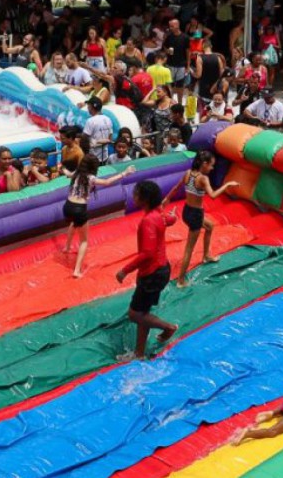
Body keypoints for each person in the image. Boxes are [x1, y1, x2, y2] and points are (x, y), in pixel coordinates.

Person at [115, 180, 178, 360]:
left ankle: (168, 327)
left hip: (152, 273)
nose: (133, 196)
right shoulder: (158, 214)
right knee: (143, 313)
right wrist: (174, 217)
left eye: (136, 194)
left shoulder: (148, 221)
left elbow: (148, 253)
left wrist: (124, 270)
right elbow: (169, 219)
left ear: (145, 199)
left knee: (134, 315)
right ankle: (139, 353)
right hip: (160, 269)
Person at [169, 151, 238, 287]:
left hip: (186, 211)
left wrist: (166, 199)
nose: (212, 168)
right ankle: (181, 280)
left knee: (209, 226)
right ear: (204, 164)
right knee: (189, 249)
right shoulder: (203, 178)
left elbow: (176, 188)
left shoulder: (188, 173)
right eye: (211, 165)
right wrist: (227, 185)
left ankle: (206, 255)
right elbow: (212, 195)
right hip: (195, 215)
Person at [64, 154, 134, 278]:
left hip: (67, 206)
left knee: (74, 223)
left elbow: (67, 173)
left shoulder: (76, 174)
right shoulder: (90, 178)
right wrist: (125, 173)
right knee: (84, 241)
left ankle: (67, 247)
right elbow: (106, 182)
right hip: (79, 209)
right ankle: (76, 270)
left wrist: (61, 168)